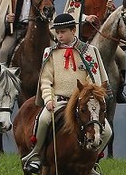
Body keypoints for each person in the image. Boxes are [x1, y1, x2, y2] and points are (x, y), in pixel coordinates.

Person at [21, 13, 112, 175]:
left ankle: (92, 160)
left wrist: (85, 97)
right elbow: (46, 80)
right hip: (59, 100)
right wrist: (48, 99)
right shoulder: (51, 52)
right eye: (57, 32)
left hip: (82, 101)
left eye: (63, 32)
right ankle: (36, 154)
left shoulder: (89, 51)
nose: (60, 35)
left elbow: (93, 80)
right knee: (43, 119)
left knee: (108, 131)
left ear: (73, 30)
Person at [65, 0, 124, 102]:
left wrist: (110, 10)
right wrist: (86, 18)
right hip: (83, 37)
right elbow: (71, 14)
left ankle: (119, 89)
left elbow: (109, 21)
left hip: (103, 38)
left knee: (122, 56)